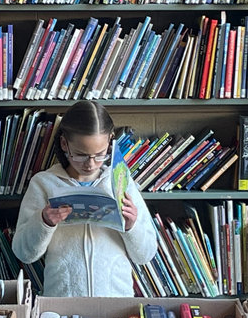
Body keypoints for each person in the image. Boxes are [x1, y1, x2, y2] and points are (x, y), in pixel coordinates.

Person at [11, 100, 156, 296]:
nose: (90, 164)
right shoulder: (43, 184)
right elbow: (24, 253)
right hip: (63, 299)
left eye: (100, 155)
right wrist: (44, 221)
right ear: (64, 144)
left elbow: (145, 255)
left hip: (116, 300)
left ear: (110, 142)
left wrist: (132, 225)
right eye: (80, 155)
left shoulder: (122, 181)